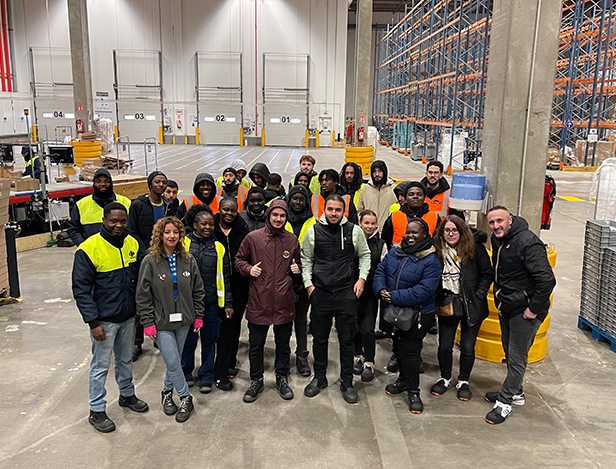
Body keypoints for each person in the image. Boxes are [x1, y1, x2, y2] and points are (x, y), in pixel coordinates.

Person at [72, 202, 148, 433]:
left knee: (125, 360)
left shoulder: (132, 243)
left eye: (123, 221)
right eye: (113, 221)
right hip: (104, 321)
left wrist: (138, 311)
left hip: (128, 317)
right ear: (104, 220)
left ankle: (127, 394)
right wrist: (93, 322)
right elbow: (81, 289)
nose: (118, 225)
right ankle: (96, 410)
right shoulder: (88, 249)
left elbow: (140, 280)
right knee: (101, 365)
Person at [484, 206, 556, 425]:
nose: (496, 226)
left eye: (500, 221)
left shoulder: (528, 242)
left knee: (517, 357)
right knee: (509, 351)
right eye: (492, 222)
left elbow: (547, 280)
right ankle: (516, 392)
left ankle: (505, 402)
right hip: (508, 305)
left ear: (510, 220)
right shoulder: (499, 239)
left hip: (524, 311)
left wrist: (533, 309)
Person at [301, 194, 370, 404]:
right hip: (320, 293)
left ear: (343, 211)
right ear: (325, 209)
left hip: (345, 293)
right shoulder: (313, 231)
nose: (334, 213)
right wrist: (309, 285)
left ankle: (347, 382)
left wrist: (361, 279)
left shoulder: (354, 231)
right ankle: (319, 378)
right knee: (319, 339)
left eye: (338, 210)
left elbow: (365, 255)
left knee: (346, 340)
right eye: (330, 209)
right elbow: (306, 259)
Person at [136, 217, 205, 424]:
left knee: (174, 360)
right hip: (161, 322)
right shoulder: (150, 261)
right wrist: (148, 322)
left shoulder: (188, 259)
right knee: (174, 362)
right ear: (160, 235)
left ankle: (166, 393)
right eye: (167, 232)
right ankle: (185, 397)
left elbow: (198, 290)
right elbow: (143, 295)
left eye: (175, 232)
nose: (172, 236)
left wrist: (198, 315)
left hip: (184, 321)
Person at [235, 200, 302, 402]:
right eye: (275, 215)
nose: (278, 219)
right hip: (259, 300)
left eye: (282, 216)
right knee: (256, 345)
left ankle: (282, 377)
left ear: (286, 218)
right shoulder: (253, 238)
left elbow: (299, 262)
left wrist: (297, 270)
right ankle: (256, 380)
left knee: (283, 345)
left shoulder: (291, 240)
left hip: (283, 300)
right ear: (268, 215)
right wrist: (249, 270)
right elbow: (239, 259)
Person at [373, 219, 441, 414]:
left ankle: (414, 391)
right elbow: (380, 270)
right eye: (408, 232)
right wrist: (380, 289)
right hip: (394, 311)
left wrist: (393, 296)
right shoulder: (395, 252)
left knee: (410, 352)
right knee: (397, 346)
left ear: (425, 235)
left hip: (417, 314)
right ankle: (402, 380)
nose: (410, 236)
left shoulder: (431, 259)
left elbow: (424, 290)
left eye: (415, 233)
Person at [430, 215, 493, 401]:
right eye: (447, 230)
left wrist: (479, 294)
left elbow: (487, 273)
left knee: (467, 346)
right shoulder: (436, 250)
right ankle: (445, 378)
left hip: (472, 304)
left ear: (462, 231)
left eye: (454, 230)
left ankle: (463, 381)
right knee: (444, 346)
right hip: (447, 302)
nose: (451, 234)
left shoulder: (475, 248)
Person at [181, 205, 233, 394]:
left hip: (210, 304)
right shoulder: (183, 244)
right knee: (188, 341)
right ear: (195, 225)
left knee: (209, 341)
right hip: (187, 304)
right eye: (203, 224)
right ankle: (186, 372)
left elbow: (225, 277)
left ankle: (206, 375)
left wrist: (227, 303)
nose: (208, 227)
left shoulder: (219, 247)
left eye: (211, 224)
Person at [128, 170, 176, 361]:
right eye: (157, 182)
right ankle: (136, 342)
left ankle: (161, 335)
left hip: (165, 258)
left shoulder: (169, 205)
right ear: (150, 184)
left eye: (164, 182)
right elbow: (132, 231)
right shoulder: (138, 205)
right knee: (143, 298)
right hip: (145, 258)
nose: (161, 185)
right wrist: (145, 253)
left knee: (162, 296)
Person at [213, 198, 251, 383]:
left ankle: (230, 361)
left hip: (238, 286)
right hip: (216, 284)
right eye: (225, 210)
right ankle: (217, 363)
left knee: (233, 325)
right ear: (219, 209)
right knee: (218, 326)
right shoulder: (211, 229)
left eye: (233, 210)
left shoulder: (243, 230)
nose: (229, 213)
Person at [353, 210, 388, 382]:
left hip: (370, 294)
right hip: (351, 293)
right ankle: (357, 356)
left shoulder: (381, 245)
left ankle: (369, 362)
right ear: (360, 223)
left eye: (373, 223)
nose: (369, 226)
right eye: (366, 223)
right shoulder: (351, 241)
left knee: (367, 329)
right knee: (354, 327)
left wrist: (380, 288)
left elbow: (384, 269)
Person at [285, 184, 314, 376]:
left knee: (301, 320)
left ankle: (302, 356)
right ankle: (283, 355)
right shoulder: (281, 219)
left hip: (304, 278)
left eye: (301, 199)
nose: (297, 202)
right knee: (284, 321)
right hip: (283, 279)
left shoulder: (313, 222)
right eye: (294, 198)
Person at [67, 168, 132, 246]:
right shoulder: (81, 205)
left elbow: (133, 229)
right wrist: (84, 246)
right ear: (94, 183)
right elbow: (73, 230)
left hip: (120, 249)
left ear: (111, 183)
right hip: (92, 251)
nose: (103, 184)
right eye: (98, 181)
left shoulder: (126, 202)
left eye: (106, 181)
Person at [382, 182, 441, 249]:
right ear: (405, 198)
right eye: (411, 194)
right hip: (399, 254)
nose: (415, 197)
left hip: (427, 255)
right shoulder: (394, 216)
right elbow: (385, 242)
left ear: (424, 198)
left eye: (419, 194)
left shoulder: (434, 217)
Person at [357, 160, 397, 232]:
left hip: (388, 232)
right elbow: (360, 211)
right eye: (374, 171)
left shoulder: (394, 189)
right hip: (368, 232)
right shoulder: (365, 189)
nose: (377, 174)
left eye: (380, 171)